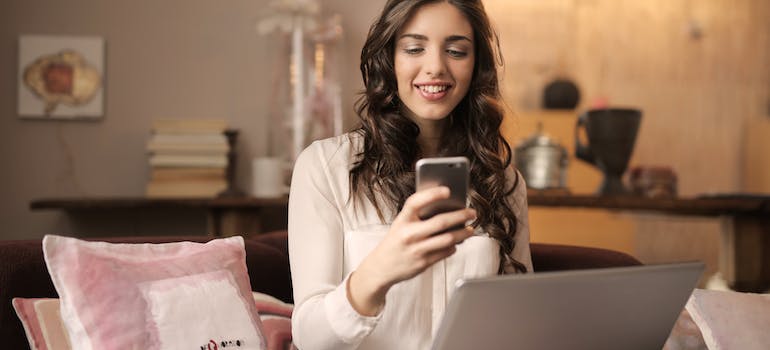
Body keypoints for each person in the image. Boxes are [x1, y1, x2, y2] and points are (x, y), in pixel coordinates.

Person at [288, 0, 532, 349]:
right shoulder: (325, 167)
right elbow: (311, 339)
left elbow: (520, 319)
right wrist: (379, 271)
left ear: (476, 64)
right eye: (415, 48)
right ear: (389, 59)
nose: (435, 67)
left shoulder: (502, 179)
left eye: (456, 51)